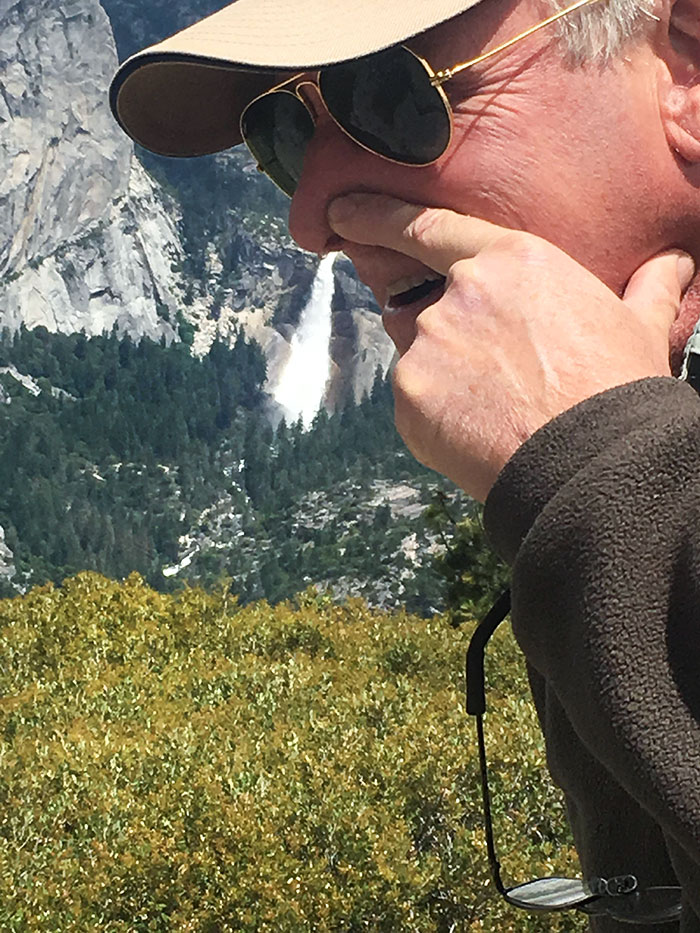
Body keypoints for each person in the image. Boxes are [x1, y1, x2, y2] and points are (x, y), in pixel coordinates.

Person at [110, 0, 700, 926]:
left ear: (688, 64)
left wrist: (606, 454)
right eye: (286, 133)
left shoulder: (622, 453)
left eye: (390, 95)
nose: (312, 215)